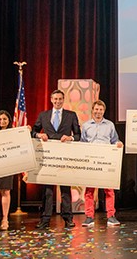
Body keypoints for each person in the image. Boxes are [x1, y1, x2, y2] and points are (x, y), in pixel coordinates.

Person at [31, 89, 81, 228]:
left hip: (65, 156)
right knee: (47, 190)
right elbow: (33, 131)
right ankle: (45, 219)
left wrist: (70, 137)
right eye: (55, 99)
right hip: (48, 158)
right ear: (51, 100)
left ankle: (68, 219)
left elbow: (78, 135)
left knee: (65, 189)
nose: (57, 101)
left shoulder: (71, 115)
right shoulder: (43, 115)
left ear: (63, 100)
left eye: (60, 99)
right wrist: (39, 135)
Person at [80, 100, 123, 227]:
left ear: (104, 111)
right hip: (91, 161)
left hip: (106, 161)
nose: (98, 112)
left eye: (101, 110)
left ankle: (111, 216)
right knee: (89, 190)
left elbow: (115, 140)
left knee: (109, 190)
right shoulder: (86, 125)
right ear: (92, 110)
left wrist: (118, 144)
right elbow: (82, 143)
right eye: (96, 109)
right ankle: (89, 217)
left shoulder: (109, 125)